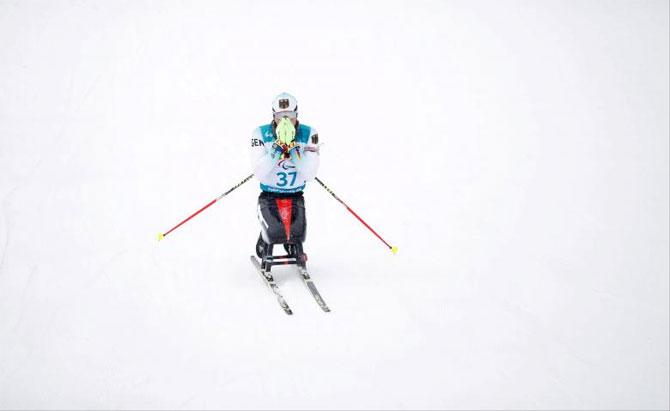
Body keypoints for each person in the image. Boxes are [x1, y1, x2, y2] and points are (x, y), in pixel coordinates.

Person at [249, 92, 320, 260]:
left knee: (298, 235)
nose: (286, 121)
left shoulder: (310, 133)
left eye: (290, 116)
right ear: (274, 116)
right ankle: (265, 236)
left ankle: (292, 244)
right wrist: (277, 148)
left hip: (296, 194)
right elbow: (259, 173)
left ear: (297, 115)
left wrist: (294, 151)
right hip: (269, 194)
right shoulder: (260, 133)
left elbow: (310, 174)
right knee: (274, 234)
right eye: (281, 117)